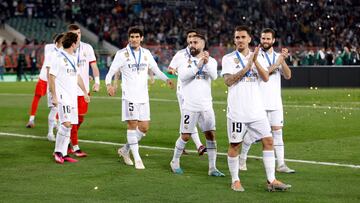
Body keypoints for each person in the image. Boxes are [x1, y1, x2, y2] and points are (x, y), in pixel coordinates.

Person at [221, 25, 291, 192]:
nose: (239, 40)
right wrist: (247, 67)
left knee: (268, 141)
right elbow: (228, 81)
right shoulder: (228, 58)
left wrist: (255, 61)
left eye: (242, 37)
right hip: (238, 111)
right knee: (235, 145)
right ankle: (235, 180)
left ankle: (271, 179)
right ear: (234, 40)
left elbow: (266, 77)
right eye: (237, 37)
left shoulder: (256, 57)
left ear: (249, 39)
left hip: (257, 110)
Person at [105, 26, 174, 169]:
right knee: (132, 125)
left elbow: (156, 70)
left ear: (141, 38)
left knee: (144, 128)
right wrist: (108, 85)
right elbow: (110, 72)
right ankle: (137, 159)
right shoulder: (121, 54)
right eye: (132, 37)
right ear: (128, 38)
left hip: (143, 97)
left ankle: (125, 150)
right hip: (129, 96)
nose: (134, 39)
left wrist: (167, 79)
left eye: (137, 37)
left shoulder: (147, 53)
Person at [238, 28, 295, 174]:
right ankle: (242, 158)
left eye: (268, 39)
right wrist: (276, 64)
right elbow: (264, 74)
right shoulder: (256, 56)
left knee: (278, 133)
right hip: (259, 102)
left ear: (273, 41)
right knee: (252, 135)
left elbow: (288, 75)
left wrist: (283, 62)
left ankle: (281, 164)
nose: (265, 41)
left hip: (275, 102)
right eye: (263, 38)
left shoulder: (278, 56)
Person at [169, 33, 224, 177]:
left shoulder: (210, 60)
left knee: (211, 135)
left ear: (203, 44)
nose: (192, 45)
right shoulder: (184, 60)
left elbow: (214, 76)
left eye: (195, 42)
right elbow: (183, 76)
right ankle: (174, 162)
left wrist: (204, 63)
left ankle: (212, 168)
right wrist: (198, 65)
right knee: (185, 136)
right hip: (190, 106)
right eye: (191, 42)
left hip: (206, 106)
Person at [48, 32, 90, 164]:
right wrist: (54, 96)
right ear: (73, 43)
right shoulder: (58, 56)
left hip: (72, 97)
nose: (77, 44)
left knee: (70, 125)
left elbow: (77, 77)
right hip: (63, 96)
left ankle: (64, 153)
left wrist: (84, 92)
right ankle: (57, 152)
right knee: (65, 124)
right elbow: (51, 77)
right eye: (76, 42)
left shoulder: (72, 57)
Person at [168, 29, 206, 156]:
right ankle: (199, 145)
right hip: (183, 92)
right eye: (189, 37)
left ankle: (181, 144)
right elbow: (170, 68)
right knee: (190, 118)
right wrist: (175, 72)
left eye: (194, 37)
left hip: (197, 92)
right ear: (187, 39)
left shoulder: (201, 54)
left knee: (188, 119)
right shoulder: (180, 54)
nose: (191, 39)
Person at [67, 24, 100, 157]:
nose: (77, 36)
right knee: (73, 118)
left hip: (84, 89)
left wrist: (97, 82)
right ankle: (75, 146)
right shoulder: (64, 49)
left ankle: (68, 137)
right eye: (74, 34)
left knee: (80, 118)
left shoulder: (87, 48)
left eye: (79, 33)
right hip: (69, 90)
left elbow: (94, 66)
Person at [26, 34, 63, 129]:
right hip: (44, 78)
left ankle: (56, 121)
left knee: (58, 101)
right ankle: (31, 119)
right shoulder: (49, 47)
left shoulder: (60, 49)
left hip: (55, 79)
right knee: (37, 97)